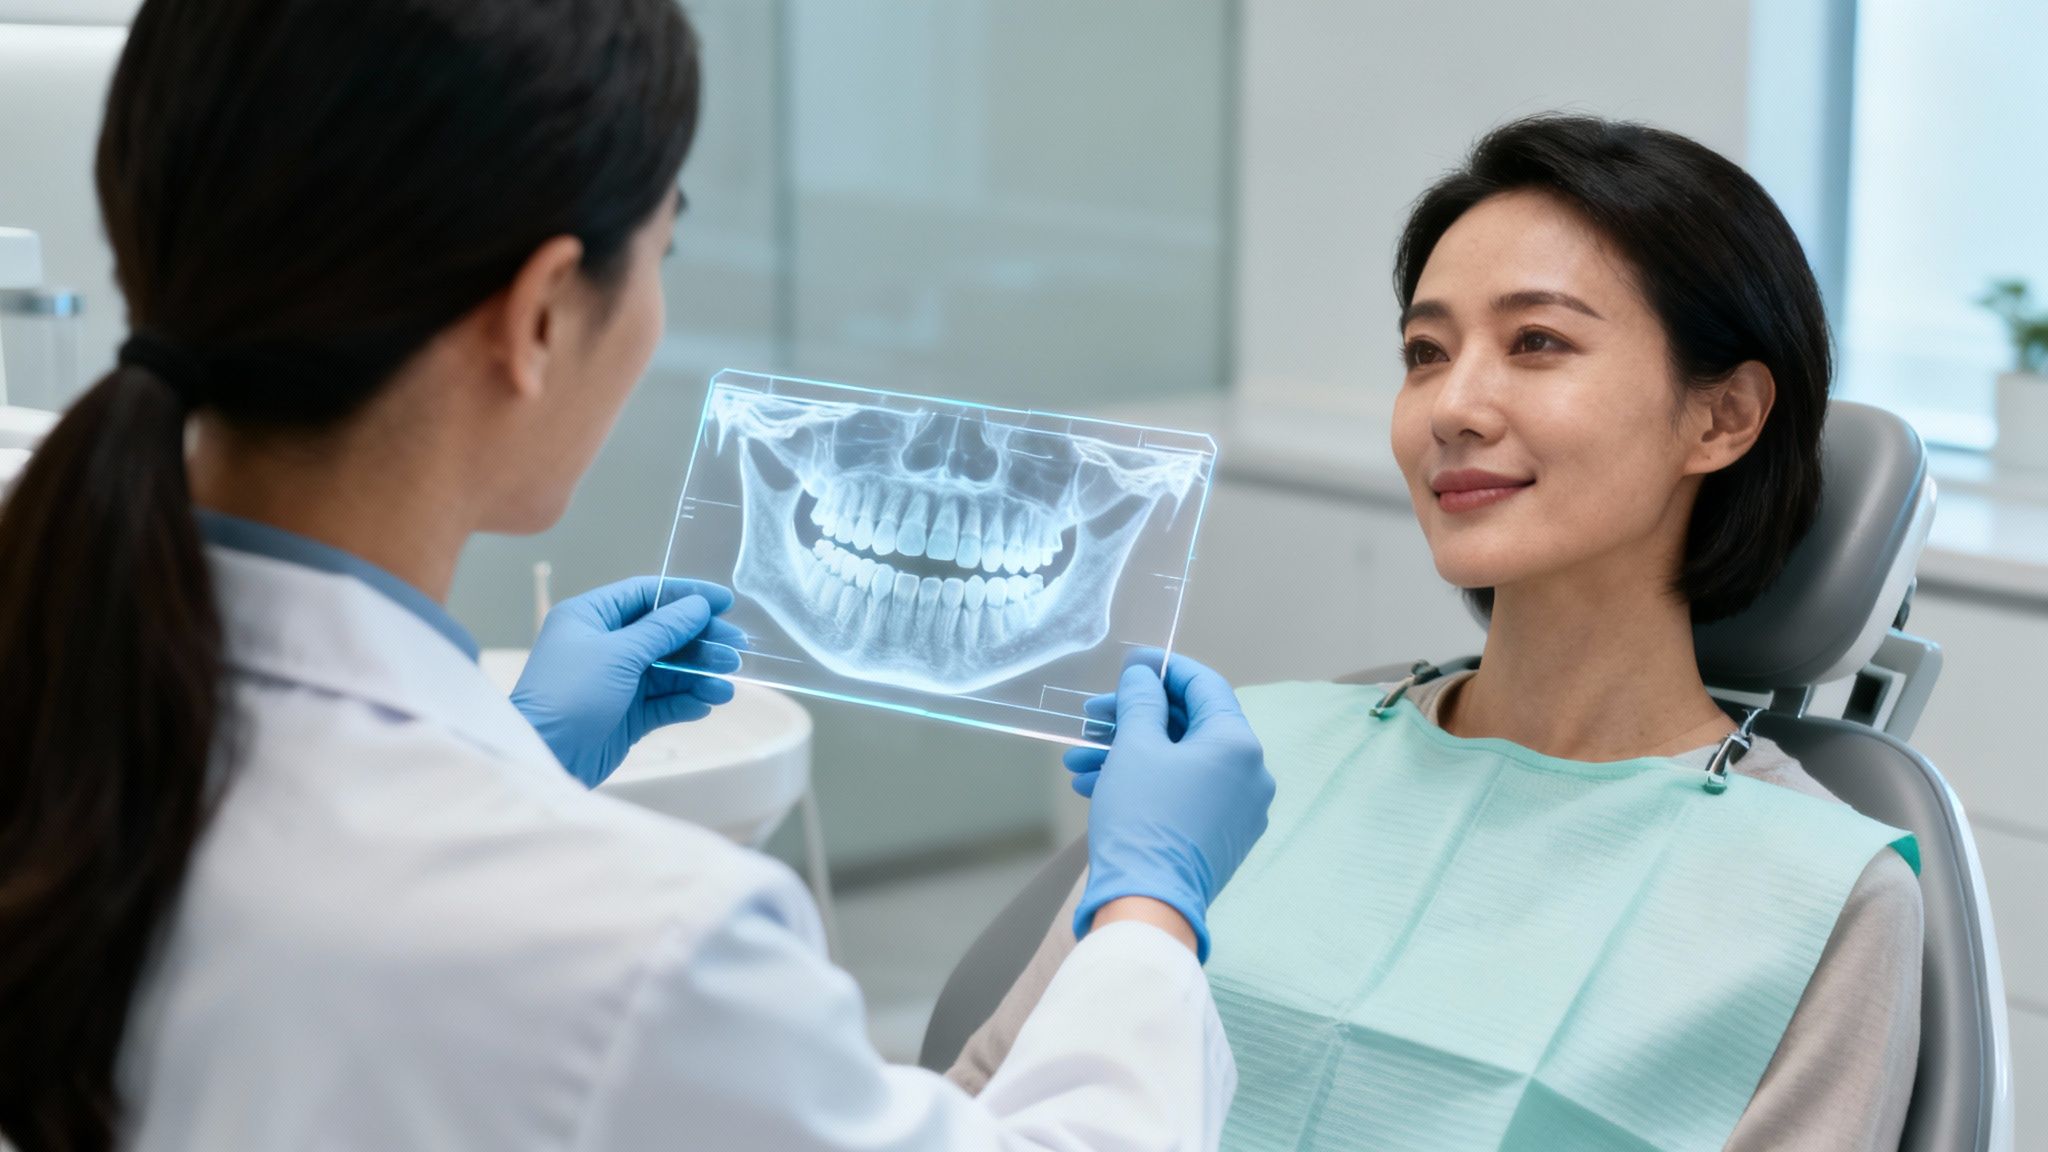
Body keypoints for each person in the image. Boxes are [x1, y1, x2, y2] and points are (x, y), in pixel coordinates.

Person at [0, 2, 1274, 1150]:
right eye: (662, 254)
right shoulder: (650, 950)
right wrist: (1150, 911)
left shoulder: (66, 714)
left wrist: (516, 759)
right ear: (543, 313)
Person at [946, 116, 1924, 1152]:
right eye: (1423, 352)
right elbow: (970, 1110)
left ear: (1720, 417)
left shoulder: (1823, 893)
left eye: (1535, 341)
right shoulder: (1240, 764)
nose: (1449, 406)